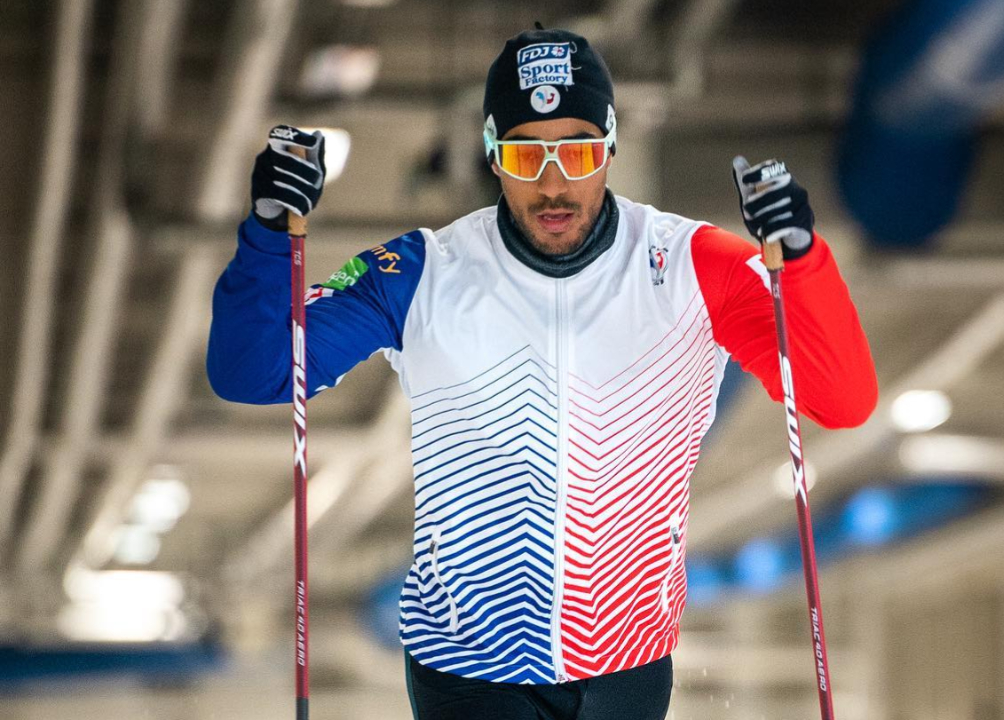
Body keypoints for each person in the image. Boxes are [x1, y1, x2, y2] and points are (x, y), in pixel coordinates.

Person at [208, 26, 877, 720]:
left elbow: (841, 398)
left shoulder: (693, 265)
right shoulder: (421, 271)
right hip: (464, 664)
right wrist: (266, 231)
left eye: (578, 151)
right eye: (527, 155)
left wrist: (800, 262)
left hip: (628, 661)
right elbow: (255, 373)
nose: (553, 183)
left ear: (610, 147)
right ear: (494, 154)